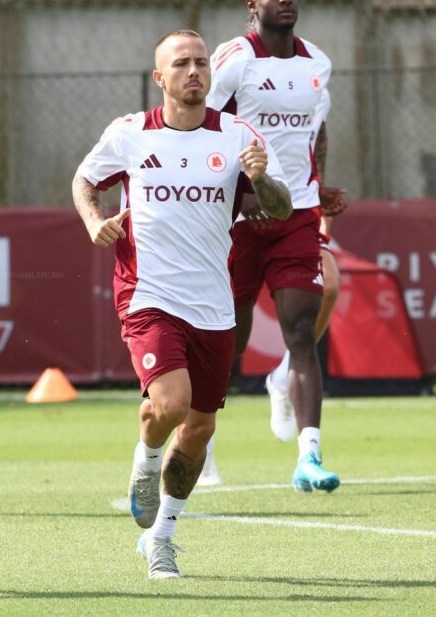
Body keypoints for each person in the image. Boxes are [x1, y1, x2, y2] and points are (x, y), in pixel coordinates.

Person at [73, 29, 291, 579]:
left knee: (198, 429)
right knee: (169, 405)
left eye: (200, 62)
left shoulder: (238, 135)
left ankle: (161, 538)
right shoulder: (129, 135)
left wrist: (262, 180)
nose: (194, 72)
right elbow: (84, 179)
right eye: (182, 64)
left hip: (213, 302)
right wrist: (95, 220)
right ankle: (145, 460)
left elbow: (281, 207)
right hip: (148, 294)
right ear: (160, 77)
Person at [201, 0, 347, 493]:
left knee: (301, 331)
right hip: (238, 221)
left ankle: (309, 455)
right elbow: (204, 128)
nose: (285, 0)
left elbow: (317, 129)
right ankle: (202, 446)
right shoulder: (234, 59)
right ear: (252, 5)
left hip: (297, 216)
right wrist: (241, 195)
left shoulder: (317, 64)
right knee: (226, 341)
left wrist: (320, 185)